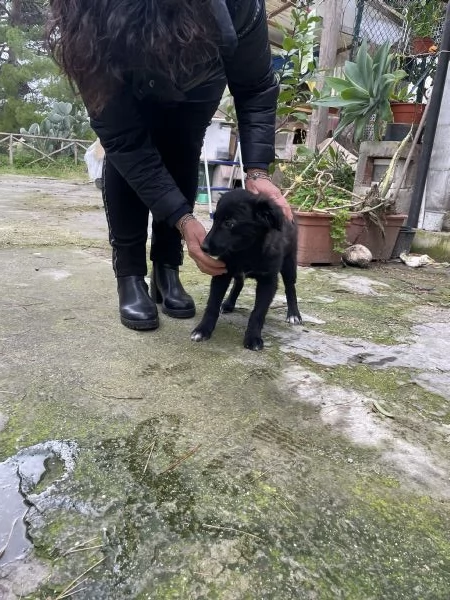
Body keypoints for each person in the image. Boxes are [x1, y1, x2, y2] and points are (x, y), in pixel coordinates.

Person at [48, 0, 292, 331]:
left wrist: (257, 171)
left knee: (184, 145)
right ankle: (131, 273)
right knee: (129, 155)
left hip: (202, 72)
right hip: (118, 67)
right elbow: (125, 142)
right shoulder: (89, 18)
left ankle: (167, 267)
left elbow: (256, 86)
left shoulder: (238, 6)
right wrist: (184, 218)